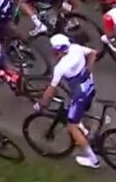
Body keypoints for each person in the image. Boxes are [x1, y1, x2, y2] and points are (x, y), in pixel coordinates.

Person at [36, 34, 100, 169]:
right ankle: (87, 127)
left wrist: (42, 104)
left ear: (56, 51)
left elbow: (51, 89)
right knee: (76, 106)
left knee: (72, 126)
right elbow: (93, 53)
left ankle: (93, 159)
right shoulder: (76, 48)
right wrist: (88, 69)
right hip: (89, 86)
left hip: (80, 95)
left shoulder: (60, 67)